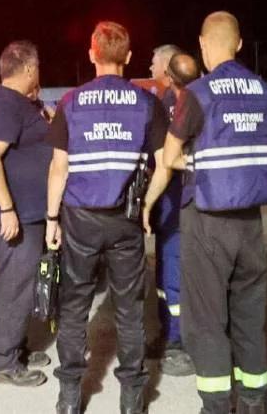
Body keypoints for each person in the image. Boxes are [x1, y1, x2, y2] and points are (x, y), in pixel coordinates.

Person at [45, 21, 174, 414]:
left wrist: (52, 219)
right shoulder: (146, 103)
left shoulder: (70, 102)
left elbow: (58, 169)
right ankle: (132, 398)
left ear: (92, 54)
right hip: (126, 221)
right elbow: (165, 163)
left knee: (74, 304)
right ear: (129, 58)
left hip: (80, 218)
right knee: (129, 308)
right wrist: (149, 203)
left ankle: (70, 396)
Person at [161, 11, 267, 414]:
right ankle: (253, 402)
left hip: (208, 221)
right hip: (251, 223)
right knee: (249, 317)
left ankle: (215, 406)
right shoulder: (265, 91)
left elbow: (171, 156)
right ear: (240, 44)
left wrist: (198, 161)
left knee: (207, 320)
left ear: (203, 43)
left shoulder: (198, 93)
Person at [0, 41, 53, 387]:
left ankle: (15, 347)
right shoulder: (6, 104)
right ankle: (4, 362)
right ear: (30, 69)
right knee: (14, 285)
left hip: (26, 211)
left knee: (21, 282)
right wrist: (7, 208)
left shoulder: (14, 103)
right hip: (13, 213)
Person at [145, 50, 199, 377]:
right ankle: (168, 332)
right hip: (166, 194)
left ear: (167, 67)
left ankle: (181, 341)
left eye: (154, 62)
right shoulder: (164, 99)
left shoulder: (187, 100)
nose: (150, 67)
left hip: (181, 193)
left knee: (177, 268)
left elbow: (172, 156)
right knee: (165, 269)